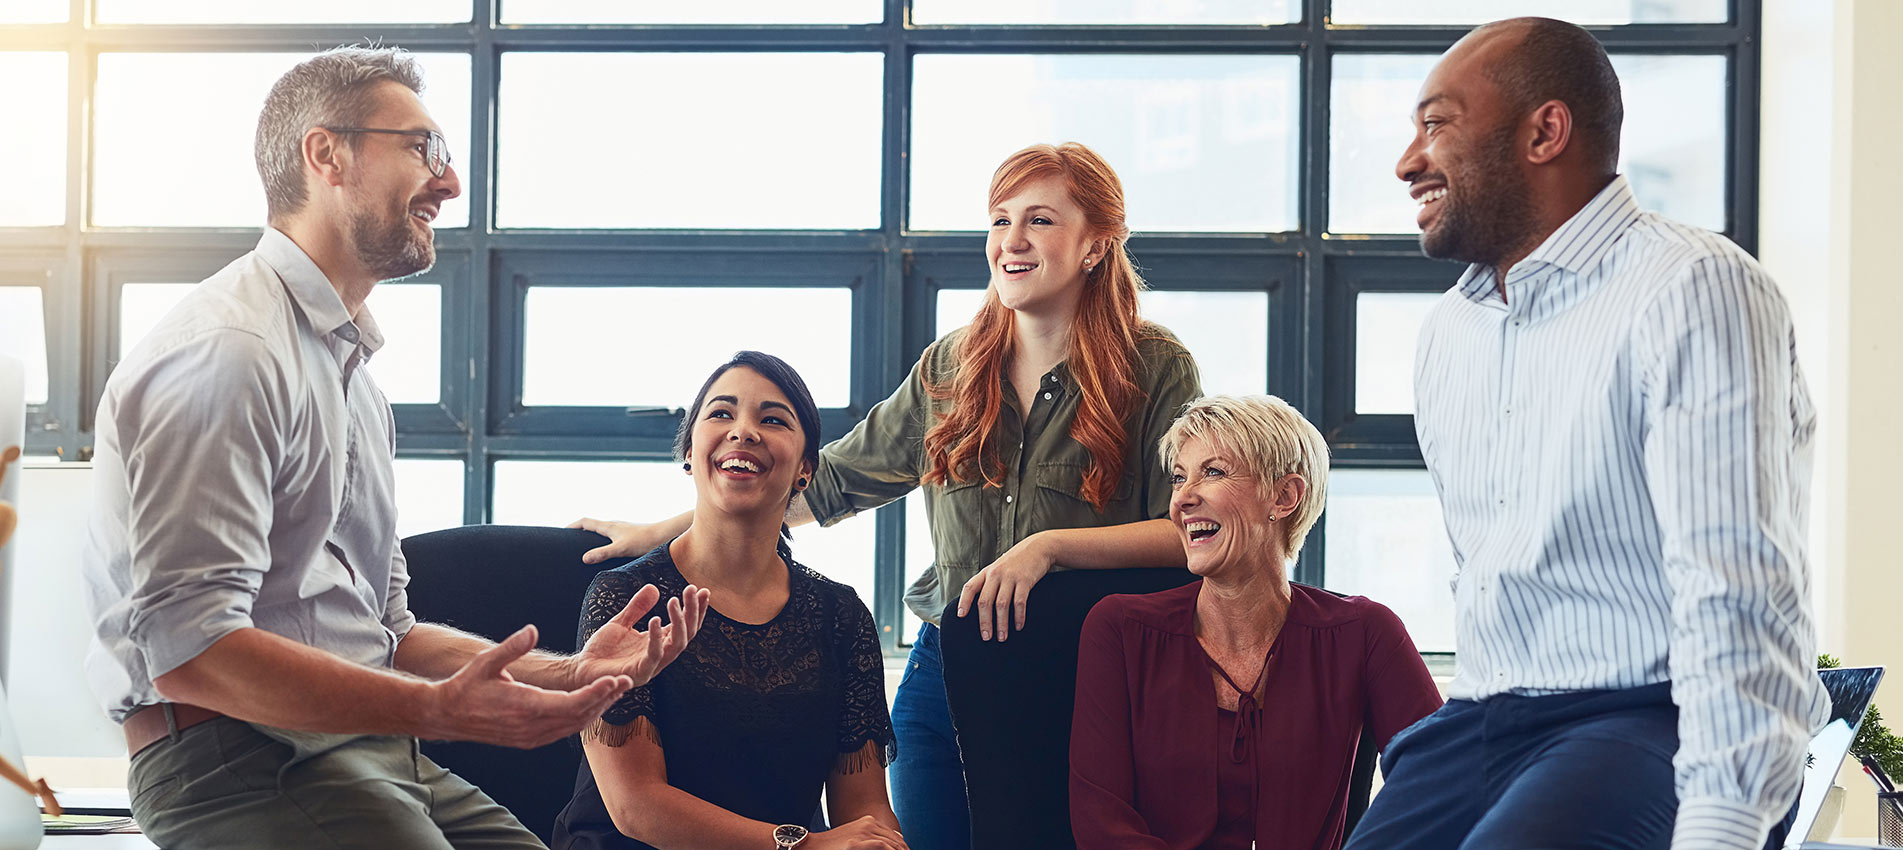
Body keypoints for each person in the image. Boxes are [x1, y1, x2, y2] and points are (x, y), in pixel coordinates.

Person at [80, 46, 709, 850]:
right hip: (232, 752)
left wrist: (569, 672)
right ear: (326, 154)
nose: (449, 184)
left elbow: (390, 632)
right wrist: (436, 710)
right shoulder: (231, 352)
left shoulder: (355, 386)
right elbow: (191, 654)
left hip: (372, 746)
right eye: (422, 149)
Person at [571, 142, 1203, 848]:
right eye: (998, 221)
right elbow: (826, 481)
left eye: (1040, 221)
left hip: (1077, 671)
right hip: (948, 664)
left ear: (1096, 244)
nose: (1011, 242)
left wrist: (1048, 550)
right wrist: (667, 529)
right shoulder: (951, 366)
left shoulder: (1154, 367)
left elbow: (1189, 532)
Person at [1344, 17, 1827, 850]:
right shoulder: (1449, 334)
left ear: (1544, 131)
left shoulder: (1691, 287)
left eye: (1435, 124)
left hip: (1649, 717)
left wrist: (1723, 825)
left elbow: (1736, 588)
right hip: (1483, 723)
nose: (1406, 160)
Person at [552, 351, 904, 850]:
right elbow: (635, 806)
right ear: (690, 452)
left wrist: (881, 844)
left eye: (773, 420)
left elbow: (863, 806)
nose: (744, 431)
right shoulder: (625, 597)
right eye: (721, 413)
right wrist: (801, 845)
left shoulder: (840, 615)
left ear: (806, 470)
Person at [1070, 394, 1441, 850]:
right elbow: (1100, 824)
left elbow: (1438, 779)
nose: (1183, 498)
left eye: (1214, 472)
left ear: (1285, 497)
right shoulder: (1120, 629)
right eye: (1179, 477)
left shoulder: (1364, 632)